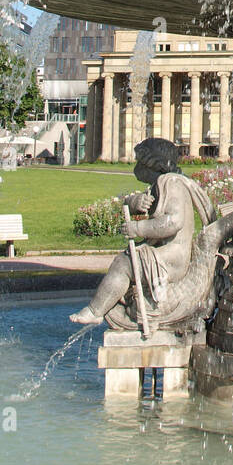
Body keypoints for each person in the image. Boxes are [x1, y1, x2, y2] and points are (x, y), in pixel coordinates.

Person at [69, 137, 211, 326]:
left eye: (139, 161)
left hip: (173, 258)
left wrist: (138, 228)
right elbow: (138, 203)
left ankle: (96, 311)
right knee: (127, 260)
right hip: (165, 253)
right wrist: (134, 202)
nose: (136, 166)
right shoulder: (160, 184)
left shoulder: (171, 184)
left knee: (125, 264)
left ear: (152, 164)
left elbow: (174, 222)